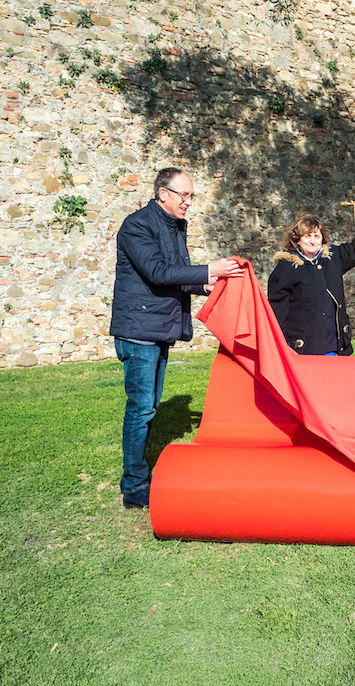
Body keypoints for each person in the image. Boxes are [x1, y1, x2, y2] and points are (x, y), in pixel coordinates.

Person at [110, 167, 244, 509]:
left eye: (191, 196)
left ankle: (138, 476)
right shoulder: (137, 225)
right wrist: (209, 269)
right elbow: (156, 272)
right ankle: (134, 486)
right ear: (163, 193)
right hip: (139, 331)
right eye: (183, 195)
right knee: (141, 408)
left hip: (157, 328)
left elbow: (173, 276)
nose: (188, 202)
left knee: (149, 406)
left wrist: (205, 285)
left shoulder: (174, 227)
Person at [268, 215, 355, 356]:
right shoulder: (285, 269)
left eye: (316, 236)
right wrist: (282, 350)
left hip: (336, 347)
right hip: (303, 351)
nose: (312, 241)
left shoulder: (332, 258)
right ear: (297, 239)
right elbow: (277, 315)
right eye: (307, 236)